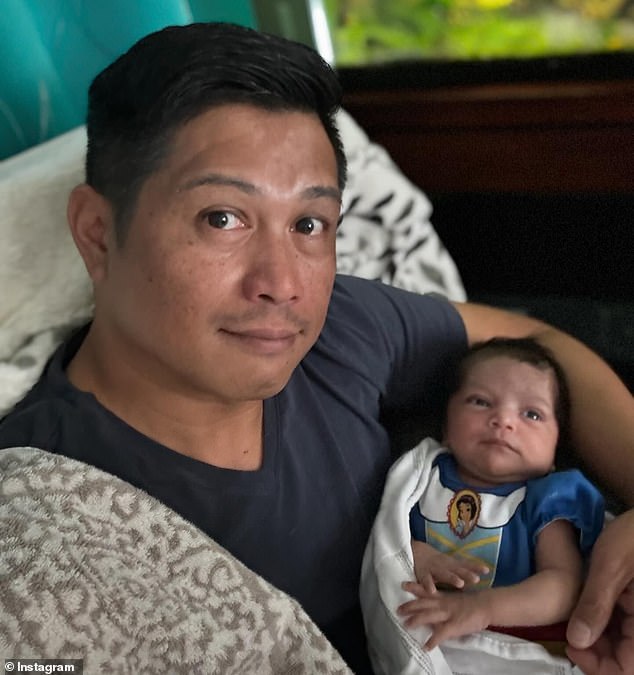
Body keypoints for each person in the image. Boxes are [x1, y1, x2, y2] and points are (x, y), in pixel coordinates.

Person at [0, 21, 632, 674]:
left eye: (309, 224)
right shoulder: (44, 512)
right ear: (98, 234)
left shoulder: (343, 331)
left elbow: (533, 341)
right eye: (223, 218)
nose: (282, 285)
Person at [397, 337, 605, 652]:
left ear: (555, 449)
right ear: (445, 425)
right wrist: (411, 553)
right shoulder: (419, 475)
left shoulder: (546, 501)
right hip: (416, 635)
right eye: (480, 401)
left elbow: (563, 587)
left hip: (504, 649)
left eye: (532, 414)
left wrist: (483, 608)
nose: (503, 421)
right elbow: (379, 536)